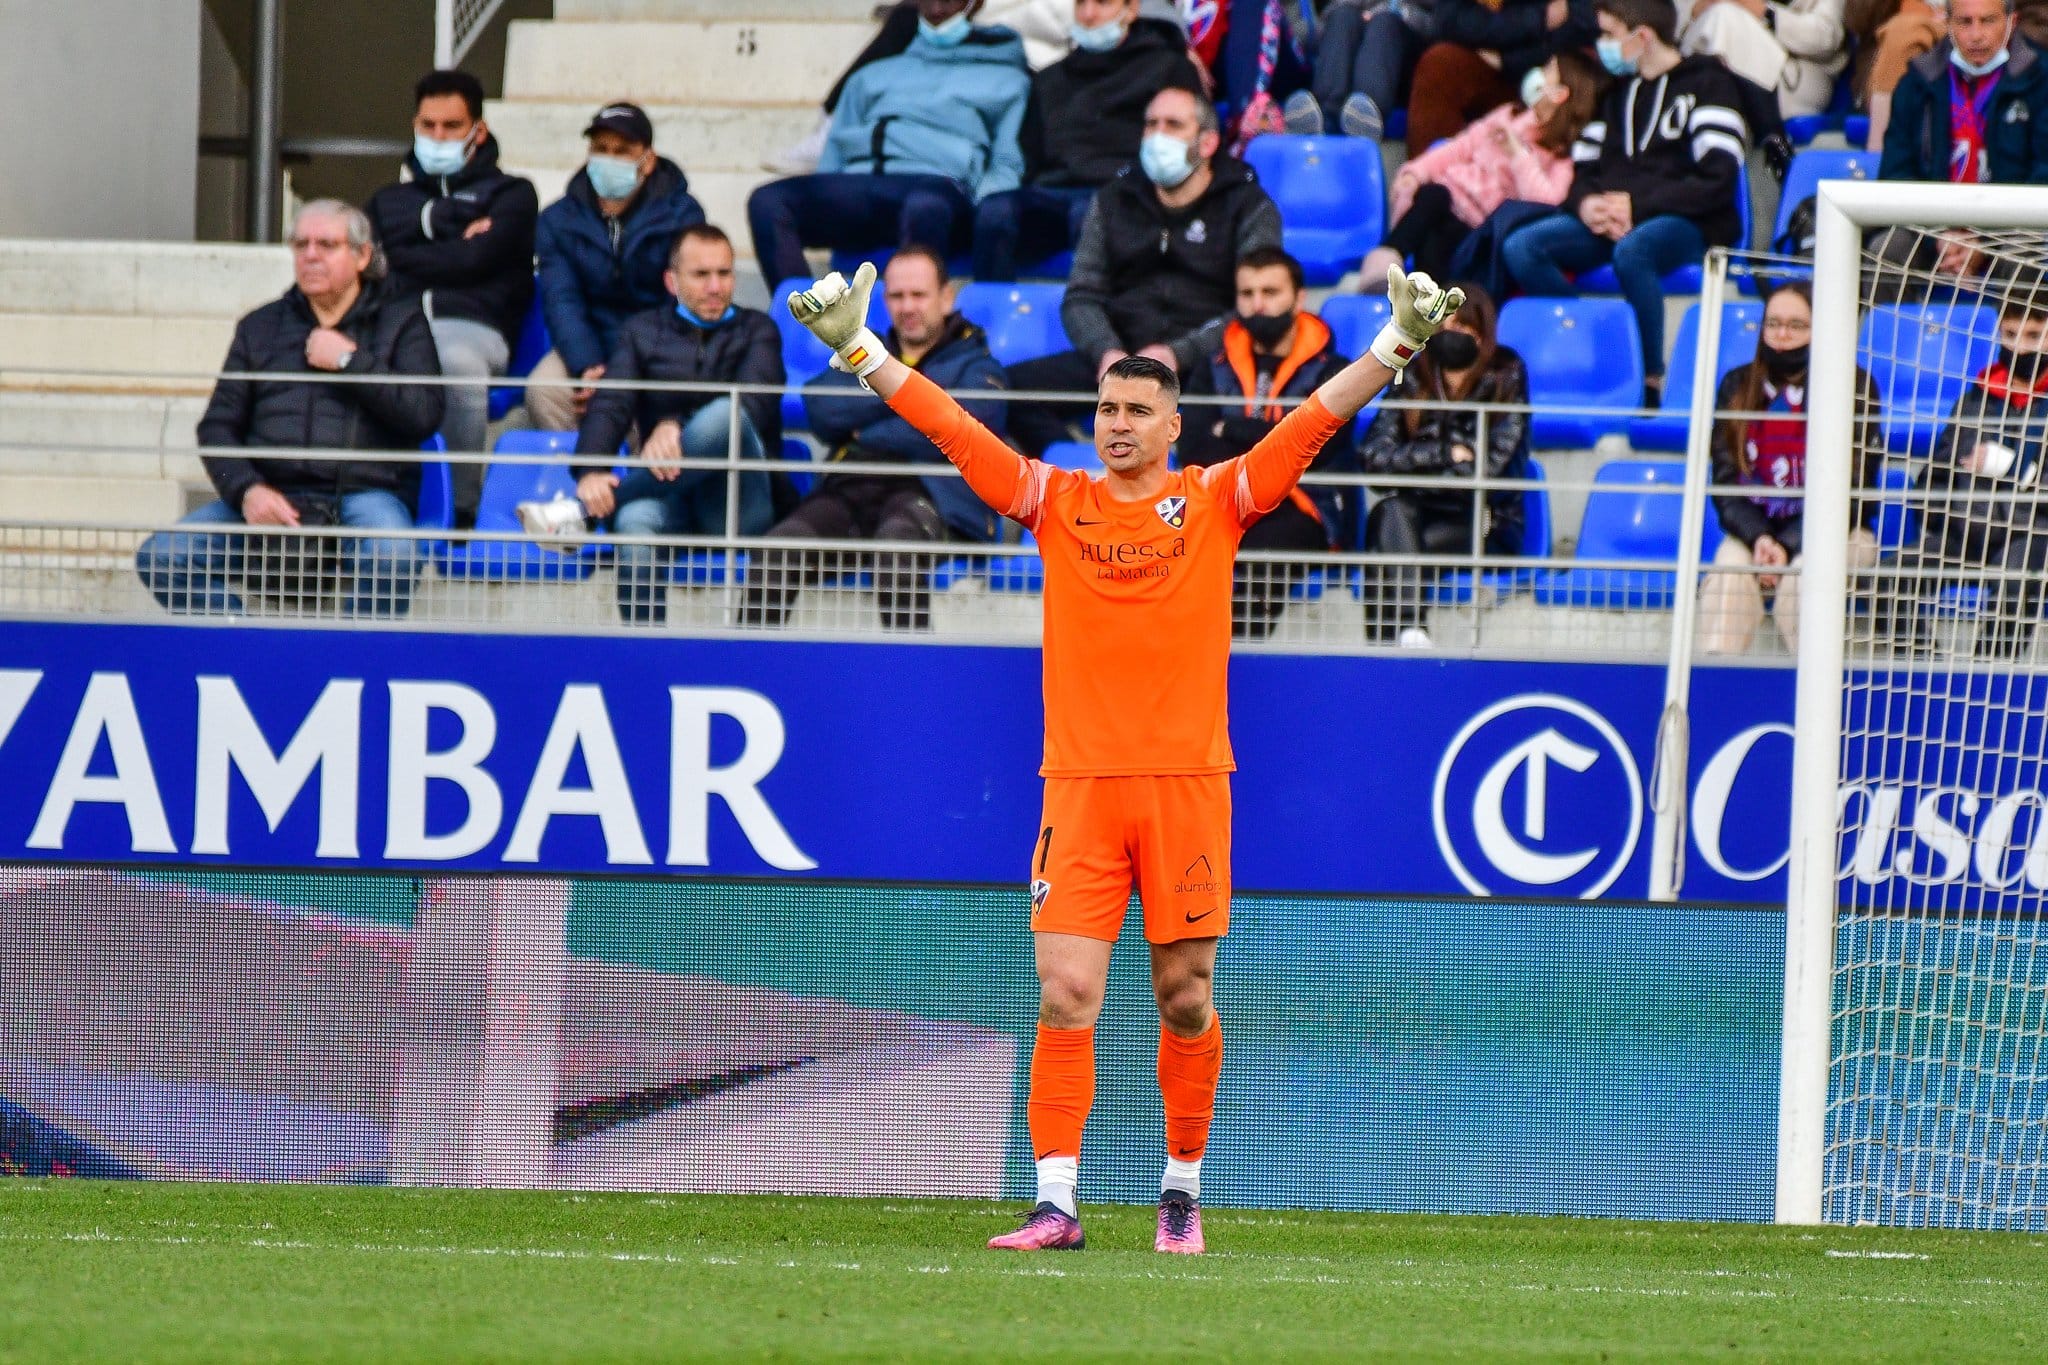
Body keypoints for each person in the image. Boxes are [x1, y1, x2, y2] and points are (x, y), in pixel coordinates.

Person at [782, 254, 1464, 1253]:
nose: (1117, 423)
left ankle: (1179, 1188)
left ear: (1170, 423)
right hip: (1080, 789)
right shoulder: (1055, 501)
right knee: (1064, 991)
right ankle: (1055, 1201)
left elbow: (1311, 421)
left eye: (1137, 410)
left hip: (1186, 787)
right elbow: (954, 431)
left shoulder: (1218, 499)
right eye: (1107, 407)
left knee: (1183, 997)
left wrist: (1394, 344)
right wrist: (859, 349)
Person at [135, 201, 445, 618]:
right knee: (162, 556)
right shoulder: (260, 327)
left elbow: (424, 413)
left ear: (362, 256)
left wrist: (349, 363)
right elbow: (217, 427)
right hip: (272, 496)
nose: (310, 255)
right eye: (301, 245)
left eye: (327, 245)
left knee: (394, 555)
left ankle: (346, 663)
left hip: (364, 496)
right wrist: (247, 490)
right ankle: (245, 650)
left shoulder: (402, 322)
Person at [739, 248, 1008, 631]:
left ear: (947, 297)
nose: (907, 307)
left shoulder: (978, 363)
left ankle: (908, 682)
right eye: (897, 296)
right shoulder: (858, 347)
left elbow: (967, 430)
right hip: (850, 489)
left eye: (919, 295)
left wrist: (868, 418)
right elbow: (820, 408)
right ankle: (752, 672)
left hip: (929, 494)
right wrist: (921, 405)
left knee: (896, 553)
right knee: (775, 554)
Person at [1005, 85, 1283, 456]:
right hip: (1119, 359)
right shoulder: (1114, 199)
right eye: (1150, 124)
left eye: (1173, 125)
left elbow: (1257, 304)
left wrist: (1178, 354)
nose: (1157, 136)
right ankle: (1077, 478)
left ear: (1208, 143)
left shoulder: (1248, 206)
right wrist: (1106, 352)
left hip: (1206, 364)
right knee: (1005, 393)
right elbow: (1081, 296)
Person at [1501, 0, 1751, 398]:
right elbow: (1583, 174)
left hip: (1690, 220)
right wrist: (1587, 205)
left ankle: (1650, 380)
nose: (1603, 45)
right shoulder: (1615, 95)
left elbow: (1717, 179)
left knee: (1634, 252)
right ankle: (1596, 344)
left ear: (1643, 36)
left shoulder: (1710, 84)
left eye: (1610, 34)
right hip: (1616, 218)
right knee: (1522, 246)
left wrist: (1639, 206)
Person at [570, 225, 783, 627]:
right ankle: (646, 658)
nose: (716, 286)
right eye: (701, 275)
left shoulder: (759, 329)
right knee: (633, 528)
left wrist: (674, 426)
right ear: (672, 281)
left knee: (728, 414)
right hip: (667, 490)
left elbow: (754, 406)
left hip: (737, 500)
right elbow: (612, 403)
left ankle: (582, 514)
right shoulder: (642, 331)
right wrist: (590, 471)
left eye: (724, 273)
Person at [745, 0, 1032, 286]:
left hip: (937, 186)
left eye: (948, 0)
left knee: (926, 206)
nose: (936, 10)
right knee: (768, 202)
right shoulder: (871, 75)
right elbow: (833, 152)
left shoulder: (1007, 80)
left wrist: (980, 207)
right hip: (861, 184)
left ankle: (918, 322)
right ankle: (807, 319)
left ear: (975, 3)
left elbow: (1006, 162)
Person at [364, 70, 537, 518]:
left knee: (454, 362)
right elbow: (370, 267)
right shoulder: (387, 201)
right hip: (396, 323)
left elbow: (474, 263)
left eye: (451, 126)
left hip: (474, 329)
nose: (437, 136)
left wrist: (403, 251)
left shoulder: (513, 194)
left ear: (478, 130)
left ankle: (459, 511)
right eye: (428, 125)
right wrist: (453, 233)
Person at [1178, 247, 1359, 638]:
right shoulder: (1212, 364)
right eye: (1247, 294)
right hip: (1222, 500)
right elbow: (1190, 446)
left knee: (1257, 560)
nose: (1257, 305)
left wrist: (1230, 430)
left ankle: (1235, 665)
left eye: (1270, 292)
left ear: (1298, 298)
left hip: (1306, 506)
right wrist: (1277, 438)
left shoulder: (1334, 371)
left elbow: (1317, 449)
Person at [1697, 282, 1881, 654]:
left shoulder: (1855, 385)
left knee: (1804, 580)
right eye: (1773, 324)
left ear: (1822, 328)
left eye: (1797, 325)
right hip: (1758, 531)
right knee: (1727, 574)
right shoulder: (1737, 384)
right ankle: (1716, 686)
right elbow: (1726, 482)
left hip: (1841, 531)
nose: (1782, 335)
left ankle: (1808, 696)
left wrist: (1788, 543)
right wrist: (1762, 539)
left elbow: (1855, 487)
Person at [972, 0, 1206, 281]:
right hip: (1053, 192)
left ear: (1131, 9)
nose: (1089, 14)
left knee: (1091, 216)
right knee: (994, 212)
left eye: (1103, 3)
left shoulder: (1170, 70)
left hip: (1129, 191)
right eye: (1081, 3)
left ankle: (1091, 318)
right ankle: (991, 316)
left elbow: (1188, 149)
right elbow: (1030, 154)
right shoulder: (1050, 79)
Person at [1356, 283, 1529, 647]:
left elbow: (1489, 472)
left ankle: (1387, 648)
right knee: (1393, 515)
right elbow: (1372, 457)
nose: (1451, 331)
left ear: (1483, 332)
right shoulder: (1412, 375)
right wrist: (1445, 454)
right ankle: (1409, 634)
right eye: (1443, 323)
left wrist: (1409, 471)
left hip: (1483, 522)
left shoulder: (1506, 377)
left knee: (1384, 537)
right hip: (1414, 514)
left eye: (1463, 324)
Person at [530, 102, 707, 433]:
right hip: (588, 345)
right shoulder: (558, 220)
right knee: (546, 390)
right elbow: (562, 300)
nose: (608, 159)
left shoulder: (682, 216)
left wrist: (627, 368)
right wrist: (588, 367)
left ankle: (644, 482)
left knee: (653, 398)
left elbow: (682, 303)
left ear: (648, 160)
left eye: (622, 151)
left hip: (657, 348)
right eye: (601, 149)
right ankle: (578, 480)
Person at [1361, 49, 1604, 287]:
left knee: (1439, 231)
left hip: (1479, 228)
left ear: (1560, 94)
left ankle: (1393, 267)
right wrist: (1415, 173)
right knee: (1433, 197)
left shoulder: (1561, 154)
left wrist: (1517, 155)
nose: (1538, 73)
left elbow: (1547, 202)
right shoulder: (1509, 114)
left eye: (1548, 70)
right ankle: (1393, 269)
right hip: (1448, 197)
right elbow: (1460, 147)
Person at [1910, 290, 2048, 659]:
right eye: (2010, 334)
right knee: (1892, 576)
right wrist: (1935, 514)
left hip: (2030, 532)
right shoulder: (1976, 396)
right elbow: (1937, 469)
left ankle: (1991, 680)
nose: (2019, 347)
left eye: (2033, 336)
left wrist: (2011, 466)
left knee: (2015, 581)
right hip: (1964, 529)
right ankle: (1922, 671)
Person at [1875, 0, 2048, 285]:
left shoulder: (2041, 80)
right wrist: (1940, 236)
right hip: (1933, 232)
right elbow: (1896, 174)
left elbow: (2042, 175)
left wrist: (1983, 238)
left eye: (1988, 21)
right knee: (1889, 249)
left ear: (2011, 22)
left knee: (2028, 253)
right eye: (1965, 22)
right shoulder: (1917, 82)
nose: (1976, 34)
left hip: (2012, 229)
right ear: (1947, 23)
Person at [1402, 0, 1601, 155]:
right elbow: (1448, 21)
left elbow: (1578, 26)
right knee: (1441, 63)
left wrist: (1508, 60)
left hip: (1548, 75)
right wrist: (1537, 18)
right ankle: (1425, 187)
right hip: (1485, 63)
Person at [1678, 0, 1850, 118]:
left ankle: (1698, 115)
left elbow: (1825, 38)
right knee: (1718, 17)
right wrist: (1697, 11)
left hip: (1798, 76)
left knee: (1724, 16)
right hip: (1730, 61)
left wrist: (1766, 14)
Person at [1285, 0, 1429, 139]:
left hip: (1409, 43)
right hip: (1361, 37)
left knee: (1383, 24)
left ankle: (1365, 115)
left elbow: (1438, 20)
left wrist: (1382, 15)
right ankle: (1323, 117)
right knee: (1343, 16)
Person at [1859, 0, 1948, 150]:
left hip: (1964, 39)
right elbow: (1857, 18)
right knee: (1903, 31)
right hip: (1894, 56)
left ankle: (1881, 155)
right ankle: (1881, 155)